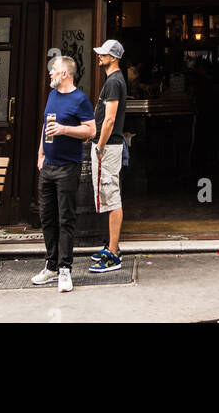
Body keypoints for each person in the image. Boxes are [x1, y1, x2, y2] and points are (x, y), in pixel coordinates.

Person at [31, 53, 96, 293]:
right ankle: (51, 265)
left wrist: (65, 129)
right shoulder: (52, 95)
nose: (50, 72)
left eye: (54, 69)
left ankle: (65, 269)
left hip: (68, 166)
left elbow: (91, 130)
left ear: (65, 74)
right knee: (47, 217)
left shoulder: (80, 100)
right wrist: (40, 153)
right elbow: (46, 125)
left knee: (65, 217)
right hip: (48, 166)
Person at [89, 39, 127, 274]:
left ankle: (113, 253)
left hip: (109, 147)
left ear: (113, 57)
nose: (99, 56)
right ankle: (112, 246)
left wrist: (99, 145)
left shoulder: (113, 82)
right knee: (109, 194)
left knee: (111, 197)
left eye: (103, 54)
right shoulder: (114, 80)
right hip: (109, 145)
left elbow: (110, 119)